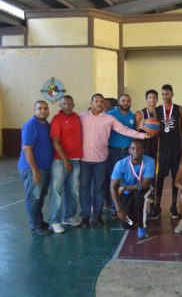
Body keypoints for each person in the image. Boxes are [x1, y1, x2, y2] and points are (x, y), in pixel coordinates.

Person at [79, 93, 148, 229]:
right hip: (84, 159)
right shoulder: (82, 117)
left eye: (101, 101)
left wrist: (143, 135)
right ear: (91, 102)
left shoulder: (109, 119)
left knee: (99, 188)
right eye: (96, 101)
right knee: (84, 189)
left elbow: (125, 130)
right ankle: (85, 217)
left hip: (101, 158)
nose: (99, 103)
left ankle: (97, 215)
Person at [18, 100, 53, 235]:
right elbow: (27, 150)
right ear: (34, 110)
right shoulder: (30, 125)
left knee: (41, 196)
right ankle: (35, 226)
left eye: (45, 108)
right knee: (33, 197)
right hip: (32, 168)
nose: (43, 111)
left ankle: (39, 221)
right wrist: (35, 171)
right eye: (39, 108)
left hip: (44, 167)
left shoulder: (46, 124)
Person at [48, 95, 82, 233]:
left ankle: (69, 216)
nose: (67, 105)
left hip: (76, 159)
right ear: (60, 105)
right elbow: (55, 142)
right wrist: (66, 160)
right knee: (56, 191)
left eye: (69, 103)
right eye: (64, 103)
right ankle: (54, 221)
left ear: (73, 104)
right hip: (60, 161)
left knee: (72, 190)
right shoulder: (56, 120)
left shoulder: (77, 117)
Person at [110, 140, 155, 239]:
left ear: (143, 150)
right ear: (129, 150)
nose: (136, 151)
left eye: (139, 149)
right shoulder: (120, 164)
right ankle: (141, 213)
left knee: (139, 195)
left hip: (144, 191)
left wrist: (125, 187)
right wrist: (119, 210)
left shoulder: (150, 161)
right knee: (127, 225)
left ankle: (141, 227)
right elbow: (113, 187)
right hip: (128, 193)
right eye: (133, 148)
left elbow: (144, 185)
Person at [153, 84, 182, 219]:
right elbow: (153, 129)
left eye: (167, 94)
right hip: (162, 150)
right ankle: (157, 207)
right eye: (163, 94)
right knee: (159, 178)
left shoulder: (179, 109)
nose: (165, 96)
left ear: (172, 94)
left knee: (175, 179)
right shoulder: (156, 110)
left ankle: (173, 206)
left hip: (176, 148)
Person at [106, 94, 137, 212]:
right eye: (123, 100)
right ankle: (115, 207)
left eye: (128, 101)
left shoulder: (133, 116)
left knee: (128, 180)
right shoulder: (110, 115)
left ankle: (127, 206)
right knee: (114, 180)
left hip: (129, 152)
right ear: (118, 102)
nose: (126, 103)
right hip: (113, 152)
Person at [135, 89, 159, 159]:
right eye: (150, 97)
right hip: (145, 143)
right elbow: (136, 130)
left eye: (154, 97)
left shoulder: (160, 112)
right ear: (146, 99)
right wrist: (139, 126)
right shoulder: (140, 113)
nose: (152, 99)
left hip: (157, 143)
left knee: (155, 165)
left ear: (157, 99)